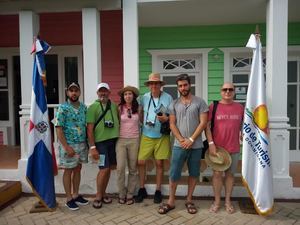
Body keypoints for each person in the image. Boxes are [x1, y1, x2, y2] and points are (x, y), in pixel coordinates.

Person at [158, 74, 208, 214]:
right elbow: (172, 123)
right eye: (180, 86)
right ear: (178, 87)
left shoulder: (200, 102)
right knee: (174, 174)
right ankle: (171, 201)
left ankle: (189, 200)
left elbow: (203, 123)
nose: (183, 88)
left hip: (196, 145)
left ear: (189, 85)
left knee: (193, 173)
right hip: (179, 145)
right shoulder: (174, 104)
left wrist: (191, 139)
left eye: (185, 85)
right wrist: (181, 139)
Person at [205, 82, 244, 214]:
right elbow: (207, 126)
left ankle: (227, 201)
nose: (227, 92)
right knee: (217, 174)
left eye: (230, 89)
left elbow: (244, 125)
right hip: (218, 148)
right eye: (225, 89)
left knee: (230, 175)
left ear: (234, 91)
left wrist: (244, 134)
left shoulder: (240, 107)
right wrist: (211, 144)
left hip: (233, 147)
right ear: (221, 91)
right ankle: (216, 201)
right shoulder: (213, 106)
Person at [135, 73, 173, 204]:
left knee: (159, 163)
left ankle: (158, 190)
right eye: (152, 83)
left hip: (162, 135)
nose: (154, 85)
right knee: (140, 161)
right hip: (147, 134)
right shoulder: (144, 97)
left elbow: (172, 115)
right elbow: (140, 113)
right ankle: (141, 188)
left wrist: (166, 118)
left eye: (156, 83)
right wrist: (144, 122)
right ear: (149, 85)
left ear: (160, 85)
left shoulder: (168, 97)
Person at [55, 82, 89, 210]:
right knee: (68, 170)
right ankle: (68, 198)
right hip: (69, 145)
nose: (74, 93)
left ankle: (75, 195)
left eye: (76, 90)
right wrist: (66, 147)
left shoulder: (84, 108)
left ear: (79, 92)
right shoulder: (63, 108)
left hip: (81, 144)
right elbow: (58, 128)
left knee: (78, 169)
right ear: (67, 93)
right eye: (71, 91)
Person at [87, 82, 120, 209]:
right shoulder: (93, 107)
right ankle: (98, 195)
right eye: (101, 91)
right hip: (100, 144)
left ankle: (104, 192)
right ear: (97, 93)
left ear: (109, 92)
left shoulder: (113, 105)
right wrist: (92, 147)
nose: (103, 93)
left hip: (113, 142)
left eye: (105, 91)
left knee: (109, 168)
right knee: (103, 169)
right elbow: (89, 130)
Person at [116, 86, 140, 205]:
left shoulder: (138, 108)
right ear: (123, 97)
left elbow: (142, 123)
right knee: (120, 168)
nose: (128, 96)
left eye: (130, 94)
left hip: (134, 140)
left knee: (133, 169)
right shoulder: (119, 108)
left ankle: (130, 194)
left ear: (133, 96)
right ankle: (121, 193)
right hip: (121, 140)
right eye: (125, 94)